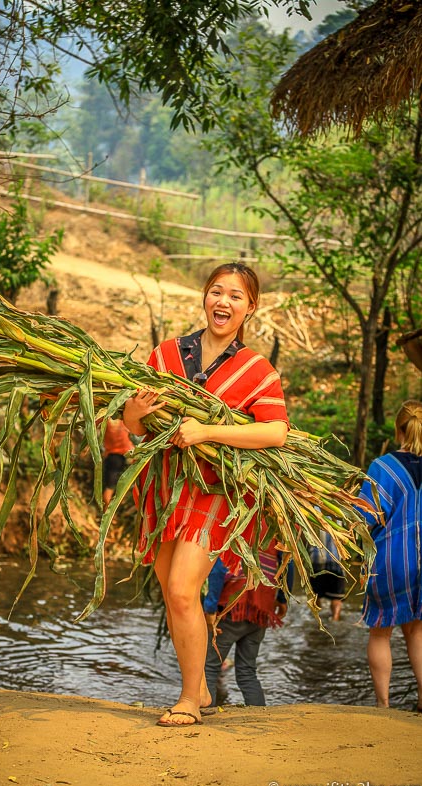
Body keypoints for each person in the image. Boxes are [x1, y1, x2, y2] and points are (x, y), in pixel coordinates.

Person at [122, 263, 289, 727]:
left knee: (181, 589)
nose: (224, 302)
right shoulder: (168, 354)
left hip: (214, 492)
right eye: (217, 292)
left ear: (250, 307)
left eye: (236, 296)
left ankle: (189, 701)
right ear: (204, 296)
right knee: (176, 597)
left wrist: (207, 431)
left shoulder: (256, 369)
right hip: (162, 486)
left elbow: (275, 431)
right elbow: (136, 427)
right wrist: (133, 415)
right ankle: (200, 688)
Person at [358, 400, 422, 711]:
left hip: (390, 560)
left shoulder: (383, 467)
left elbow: (366, 516)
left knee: (380, 632)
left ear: (398, 430)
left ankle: (383, 706)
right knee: (418, 630)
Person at [203, 543, 292, 708]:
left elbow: (219, 569)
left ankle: (206, 711)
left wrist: (210, 607)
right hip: (261, 608)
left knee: (209, 667)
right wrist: (282, 598)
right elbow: (288, 563)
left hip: (231, 607)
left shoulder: (234, 524)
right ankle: (259, 715)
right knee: (247, 671)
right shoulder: (276, 529)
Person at [309, 529, 346, 621]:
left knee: (316, 594)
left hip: (316, 560)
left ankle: (317, 618)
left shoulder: (310, 515)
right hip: (336, 561)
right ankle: (335, 619)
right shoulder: (340, 516)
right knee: (337, 597)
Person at [102, 418, 133, 510]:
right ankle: (106, 514)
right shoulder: (122, 423)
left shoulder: (107, 422)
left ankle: (107, 512)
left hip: (111, 456)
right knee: (110, 487)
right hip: (118, 458)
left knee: (110, 485)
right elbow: (127, 444)